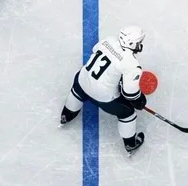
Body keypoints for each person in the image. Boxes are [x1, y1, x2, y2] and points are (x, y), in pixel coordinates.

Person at [60, 26, 148, 155]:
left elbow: (95, 51)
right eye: (139, 42)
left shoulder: (109, 40)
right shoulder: (132, 64)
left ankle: (66, 116)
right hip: (102, 96)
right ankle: (130, 144)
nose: (140, 45)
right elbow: (130, 93)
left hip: (82, 81)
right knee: (127, 113)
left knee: (78, 88)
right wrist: (139, 100)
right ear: (132, 43)